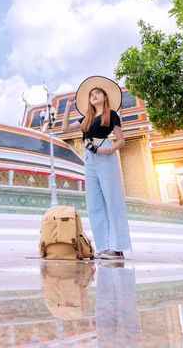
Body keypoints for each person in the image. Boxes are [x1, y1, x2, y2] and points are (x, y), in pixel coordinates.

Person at [62, 76, 132, 259]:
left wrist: (109, 150)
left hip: (104, 154)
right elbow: (64, 129)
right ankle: (103, 246)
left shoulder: (111, 115)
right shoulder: (86, 118)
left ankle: (117, 248)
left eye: (97, 93)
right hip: (89, 158)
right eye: (91, 94)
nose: (94, 96)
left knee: (113, 200)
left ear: (105, 96)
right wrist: (68, 107)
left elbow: (121, 140)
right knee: (94, 204)